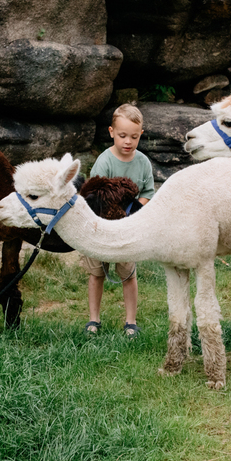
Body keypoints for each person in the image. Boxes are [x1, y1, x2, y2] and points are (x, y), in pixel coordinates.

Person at [80, 103, 155, 338]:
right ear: (111, 132)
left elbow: (148, 193)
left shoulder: (143, 162)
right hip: (101, 224)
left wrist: (132, 213)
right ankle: (94, 319)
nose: (128, 142)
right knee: (97, 273)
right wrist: (106, 219)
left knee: (128, 273)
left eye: (134, 137)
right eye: (122, 135)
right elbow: (93, 195)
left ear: (140, 135)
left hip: (127, 226)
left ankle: (130, 321)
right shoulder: (105, 162)